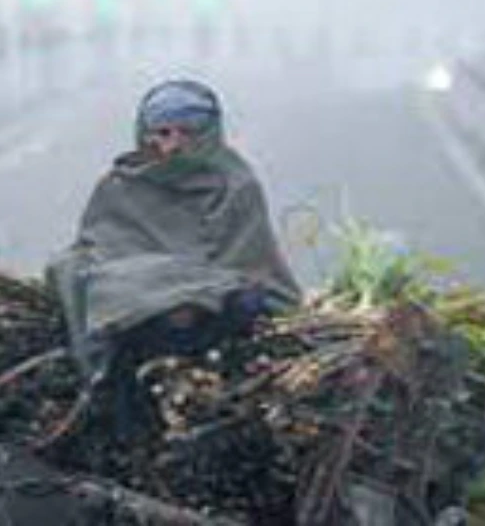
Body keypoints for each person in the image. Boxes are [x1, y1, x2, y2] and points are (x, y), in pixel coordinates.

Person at [49, 79, 299, 370]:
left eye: (187, 133)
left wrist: (187, 289)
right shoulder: (121, 183)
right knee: (70, 268)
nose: (173, 145)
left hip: (210, 304)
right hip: (132, 299)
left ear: (208, 135)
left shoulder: (234, 184)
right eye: (163, 133)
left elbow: (244, 263)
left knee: (239, 302)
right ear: (145, 134)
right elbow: (101, 248)